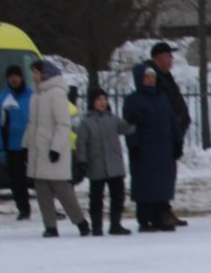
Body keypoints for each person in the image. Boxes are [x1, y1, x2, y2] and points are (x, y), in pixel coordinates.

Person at [23, 58, 87, 238]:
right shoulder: (36, 95)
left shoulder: (57, 94)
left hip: (52, 150)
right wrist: (26, 146)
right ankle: (50, 226)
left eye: (36, 72)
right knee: (42, 190)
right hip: (38, 150)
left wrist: (56, 148)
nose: (34, 76)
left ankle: (80, 221)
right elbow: (32, 124)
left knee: (62, 190)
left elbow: (63, 124)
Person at [123, 62, 181, 232]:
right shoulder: (133, 100)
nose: (150, 80)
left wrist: (178, 142)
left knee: (162, 185)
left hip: (164, 149)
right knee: (145, 186)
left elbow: (172, 121)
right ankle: (144, 219)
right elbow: (130, 126)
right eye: (146, 77)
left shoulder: (162, 97)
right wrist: (133, 145)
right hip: (145, 150)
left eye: (152, 77)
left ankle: (160, 217)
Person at [73, 86, 134, 236]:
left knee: (118, 196)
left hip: (114, 164)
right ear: (92, 102)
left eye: (104, 99)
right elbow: (81, 143)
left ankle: (115, 224)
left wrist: (132, 121)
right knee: (96, 198)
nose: (102, 102)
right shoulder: (86, 122)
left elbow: (126, 129)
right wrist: (82, 161)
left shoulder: (112, 118)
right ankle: (97, 225)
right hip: (97, 165)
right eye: (98, 100)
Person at [149, 41, 192, 228]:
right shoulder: (156, 78)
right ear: (158, 58)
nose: (171, 59)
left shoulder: (167, 77)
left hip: (173, 134)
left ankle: (166, 210)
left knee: (168, 176)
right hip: (163, 135)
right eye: (168, 55)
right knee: (161, 176)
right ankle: (160, 212)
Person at [0, 63, 33, 220]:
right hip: (13, 146)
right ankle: (23, 209)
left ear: (22, 77)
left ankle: (48, 208)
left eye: (16, 76)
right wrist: (0, 148)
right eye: (10, 77)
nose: (13, 79)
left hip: (32, 144)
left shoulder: (33, 95)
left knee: (41, 179)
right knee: (17, 181)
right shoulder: (2, 98)